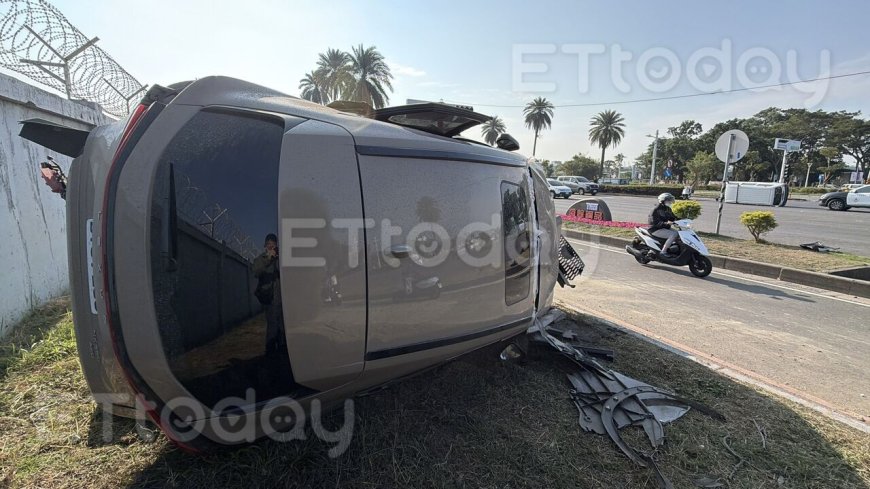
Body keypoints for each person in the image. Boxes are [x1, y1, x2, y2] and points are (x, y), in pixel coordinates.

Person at [253, 233, 284, 353]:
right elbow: (256, 271)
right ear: (265, 246)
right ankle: (271, 354)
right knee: (273, 327)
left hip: (282, 300)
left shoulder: (280, 259)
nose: (271, 247)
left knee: (282, 328)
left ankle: (283, 351)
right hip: (270, 299)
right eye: (269, 245)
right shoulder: (262, 259)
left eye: (273, 245)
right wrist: (268, 258)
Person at [648, 193, 679, 258]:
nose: (670, 202)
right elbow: (654, 222)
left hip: (664, 228)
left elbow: (673, 217)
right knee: (674, 234)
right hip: (655, 229)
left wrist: (681, 220)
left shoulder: (667, 209)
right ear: (662, 201)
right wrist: (666, 223)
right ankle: (663, 252)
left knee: (679, 233)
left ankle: (672, 249)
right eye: (668, 200)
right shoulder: (655, 209)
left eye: (670, 200)